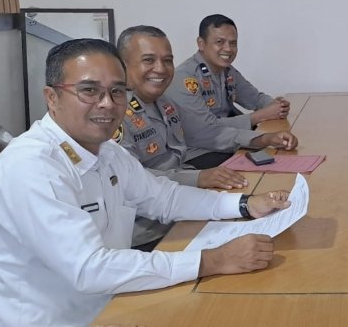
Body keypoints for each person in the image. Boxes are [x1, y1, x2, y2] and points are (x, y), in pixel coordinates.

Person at [0, 39, 293, 326]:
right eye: (89, 90)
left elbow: (165, 198)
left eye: (117, 91)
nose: (107, 103)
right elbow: (89, 269)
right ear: (52, 97)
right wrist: (213, 260)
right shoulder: (30, 168)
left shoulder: (107, 151)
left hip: (114, 303)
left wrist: (244, 204)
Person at [116, 25, 298, 250]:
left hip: (183, 210)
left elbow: (197, 140)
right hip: (150, 233)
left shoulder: (165, 104)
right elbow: (133, 181)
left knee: (269, 224)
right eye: (148, 60)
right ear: (122, 66)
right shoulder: (115, 116)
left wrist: (260, 140)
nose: (161, 69)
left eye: (167, 60)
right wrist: (199, 178)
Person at [166, 14, 293, 168]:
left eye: (233, 43)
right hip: (199, 152)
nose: (228, 49)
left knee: (282, 155)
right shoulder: (185, 78)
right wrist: (261, 116)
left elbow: (255, 98)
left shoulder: (226, 70)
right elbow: (205, 130)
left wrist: (276, 106)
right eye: (220, 42)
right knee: (264, 165)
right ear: (201, 44)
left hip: (230, 141)